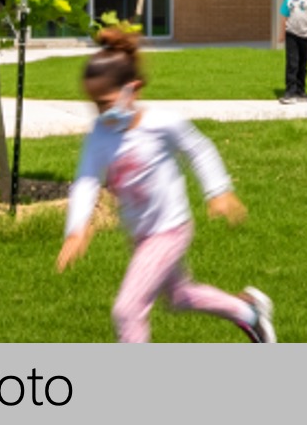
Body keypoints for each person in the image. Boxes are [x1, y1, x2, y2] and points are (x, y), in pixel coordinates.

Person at [56, 28, 277, 344]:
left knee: (127, 310)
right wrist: (76, 228)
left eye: (104, 103)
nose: (99, 112)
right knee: (179, 296)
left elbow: (198, 148)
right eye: (94, 104)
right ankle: (249, 312)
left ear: (131, 90)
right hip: (140, 233)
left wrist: (218, 191)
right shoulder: (99, 134)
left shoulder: (160, 124)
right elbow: (86, 180)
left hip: (169, 229)